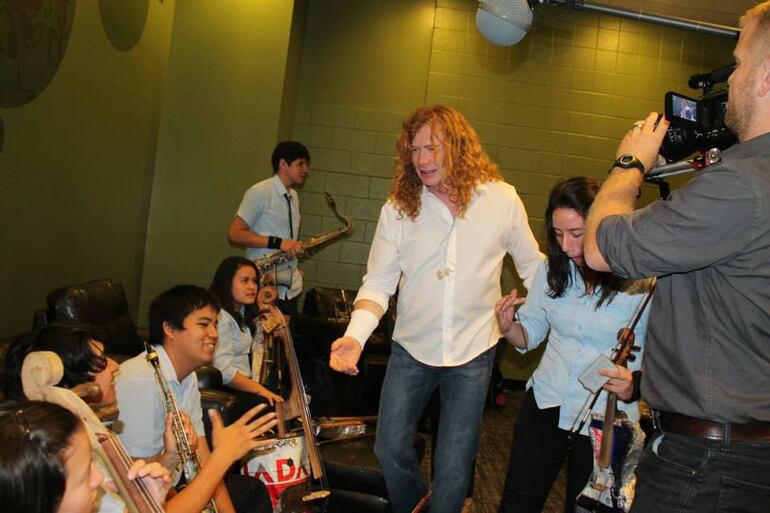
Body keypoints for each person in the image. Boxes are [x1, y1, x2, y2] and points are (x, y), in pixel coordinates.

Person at [583, 3, 770, 511]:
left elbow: (600, 247)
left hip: (708, 468)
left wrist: (629, 165)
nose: (730, 79)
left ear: (765, 78)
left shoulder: (741, 185)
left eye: (739, 62)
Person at [329, 105, 544, 513]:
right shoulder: (399, 208)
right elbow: (378, 282)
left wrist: (543, 322)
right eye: (414, 150)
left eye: (432, 148)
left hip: (474, 350)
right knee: (389, 447)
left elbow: (534, 268)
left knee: (453, 464)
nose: (422, 160)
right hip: (411, 348)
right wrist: (354, 338)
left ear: (459, 147)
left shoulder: (501, 199)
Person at [1, 321, 274, 513]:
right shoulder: (63, 452)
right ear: (73, 382)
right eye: (101, 361)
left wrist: (169, 457)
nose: (115, 366)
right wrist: (222, 457)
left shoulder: (93, 430)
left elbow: (133, 487)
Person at [494, 176, 649, 513]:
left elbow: (664, 355)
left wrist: (634, 385)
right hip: (547, 400)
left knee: (586, 507)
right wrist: (509, 327)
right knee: (518, 502)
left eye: (577, 234)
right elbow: (530, 333)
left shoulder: (641, 281)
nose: (565, 245)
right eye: (558, 234)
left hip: (606, 415)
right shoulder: (551, 271)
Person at [114, 286, 277, 513]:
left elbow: (203, 458)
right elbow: (144, 491)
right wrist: (223, 457)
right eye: (203, 324)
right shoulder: (140, 381)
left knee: (252, 490)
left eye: (215, 324)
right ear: (170, 328)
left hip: (176, 483)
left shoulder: (188, 376)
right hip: (145, 496)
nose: (214, 333)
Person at [228, 141, 311, 315]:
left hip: (288, 290)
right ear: (283, 164)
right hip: (262, 285)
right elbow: (234, 233)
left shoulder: (294, 196)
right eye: (300, 164)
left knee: (284, 341)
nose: (306, 170)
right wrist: (279, 243)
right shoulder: (259, 192)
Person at [209, 256, 283, 408]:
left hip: (244, 384)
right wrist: (259, 389)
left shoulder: (241, 311)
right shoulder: (221, 317)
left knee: (289, 396)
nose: (252, 287)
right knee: (279, 403)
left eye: (255, 281)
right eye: (245, 281)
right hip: (229, 389)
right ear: (227, 283)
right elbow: (222, 370)